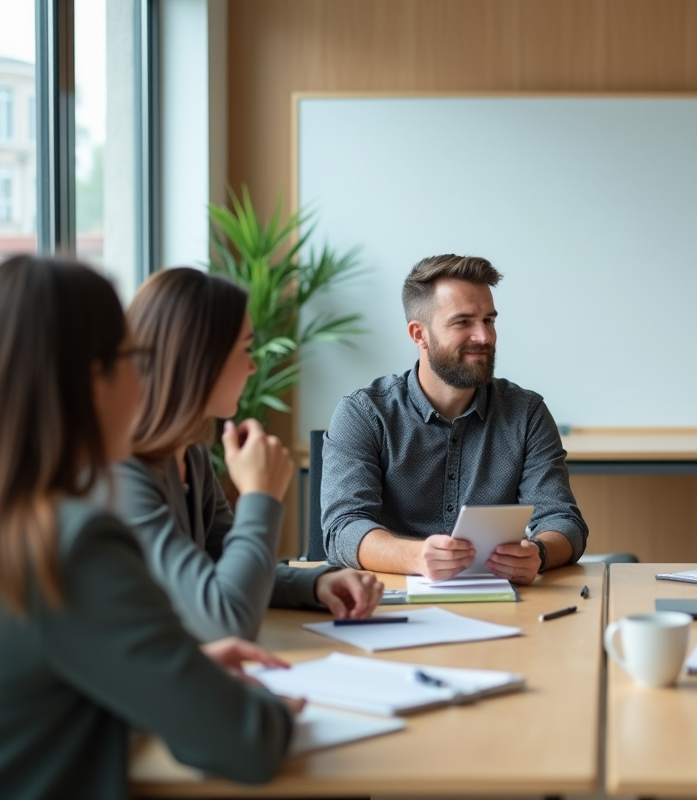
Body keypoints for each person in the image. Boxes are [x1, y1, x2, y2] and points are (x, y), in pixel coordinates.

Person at [0, 256, 296, 798]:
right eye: (133, 359)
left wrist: (178, 669)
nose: (146, 380)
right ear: (93, 382)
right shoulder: (73, 542)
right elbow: (244, 740)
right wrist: (242, 702)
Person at [114, 267, 382, 643]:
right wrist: (260, 496)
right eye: (244, 349)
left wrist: (317, 582)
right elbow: (226, 620)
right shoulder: (121, 475)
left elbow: (226, 564)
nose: (254, 366)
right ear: (199, 360)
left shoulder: (191, 454)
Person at [321, 254, 587, 583]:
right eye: (463, 322)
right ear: (419, 334)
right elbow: (343, 529)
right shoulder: (363, 413)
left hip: (503, 604)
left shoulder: (526, 412)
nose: (485, 336)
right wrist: (416, 557)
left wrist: (539, 553)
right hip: (391, 599)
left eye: (489, 320)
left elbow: (564, 522)